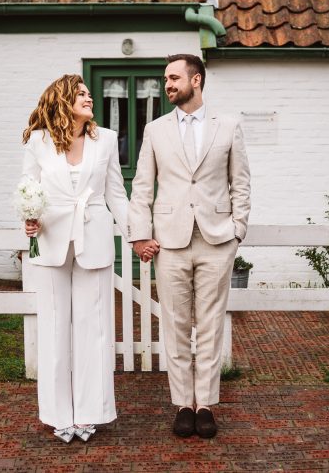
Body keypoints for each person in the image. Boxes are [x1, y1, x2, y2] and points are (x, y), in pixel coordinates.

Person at [127, 54, 251, 439]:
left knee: (211, 325)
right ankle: (183, 404)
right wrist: (139, 234)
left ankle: (206, 405)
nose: (167, 84)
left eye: (174, 77)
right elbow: (143, 186)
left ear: (196, 80)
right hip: (170, 241)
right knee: (176, 325)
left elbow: (241, 182)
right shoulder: (156, 129)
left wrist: (238, 229)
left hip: (216, 240)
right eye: (166, 78)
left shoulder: (228, 125)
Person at [19, 74, 129, 443]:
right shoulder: (38, 141)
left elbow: (117, 194)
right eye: (81, 94)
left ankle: (89, 414)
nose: (90, 98)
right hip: (51, 239)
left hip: (93, 240)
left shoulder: (107, 140)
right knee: (53, 328)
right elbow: (27, 187)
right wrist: (29, 217)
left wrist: (137, 234)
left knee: (93, 329)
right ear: (63, 101)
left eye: (88, 93)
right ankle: (57, 416)